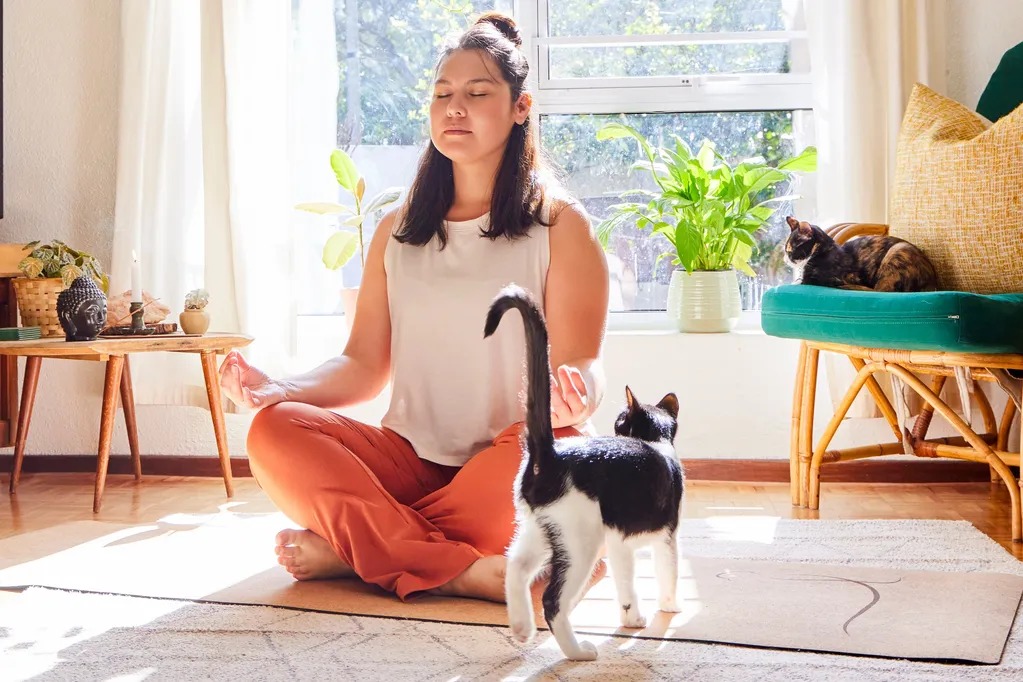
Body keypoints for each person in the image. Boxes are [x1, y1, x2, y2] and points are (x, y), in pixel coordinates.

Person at [219, 12, 609, 603]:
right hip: (409, 463)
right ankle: (462, 569)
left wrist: (580, 391)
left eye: (477, 93)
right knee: (275, 431)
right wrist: (279, 388)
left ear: (521, 107)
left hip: (510, 459)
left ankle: (360, 550)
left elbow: (583, 363)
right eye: (442, 94)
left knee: (564, 460)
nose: (455, 108)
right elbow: (362, 365)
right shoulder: (396, 232)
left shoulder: (560, 225)